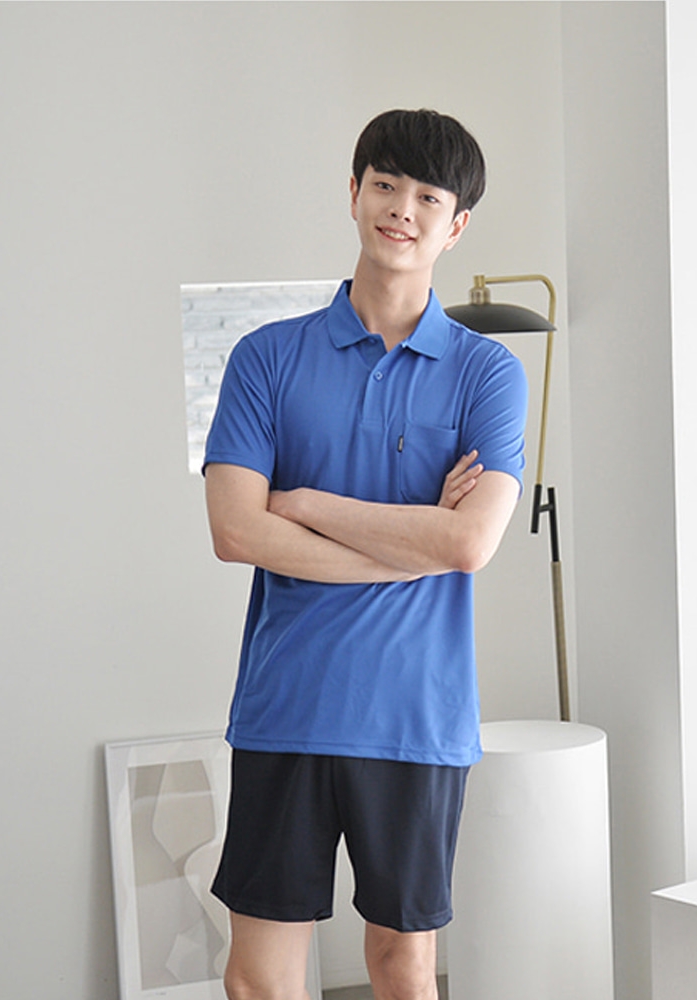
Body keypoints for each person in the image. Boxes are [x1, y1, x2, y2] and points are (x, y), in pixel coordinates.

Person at [203, 108, 527, 1000]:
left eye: (429, 197)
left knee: (402, 968)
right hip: (285, 709)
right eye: (385, 185)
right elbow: (236, 532)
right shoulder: (265, 359)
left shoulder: (487, 372)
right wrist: (414, 542)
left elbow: (470, 541)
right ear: (353, 194)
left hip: (416, 718)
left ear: (456, 225)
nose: (402, 210)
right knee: (259, 980)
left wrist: (306, 505)